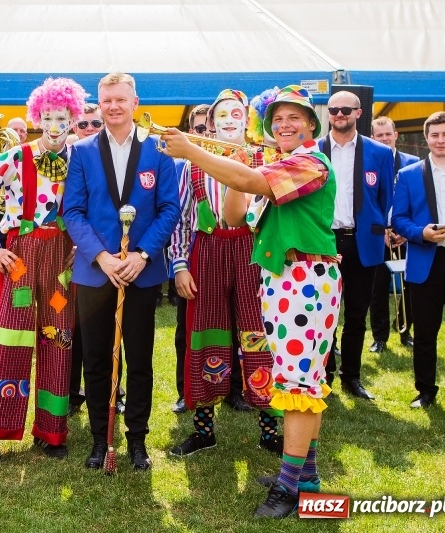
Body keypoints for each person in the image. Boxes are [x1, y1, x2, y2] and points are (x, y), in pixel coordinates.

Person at [163, 84, 341, 518]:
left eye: (294, 118)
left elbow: (252, 181)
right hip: (282, 279)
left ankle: (287, 487)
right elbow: (233, 215)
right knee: (297, 381)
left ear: (312, 126)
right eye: (277, 119)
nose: (284, 125)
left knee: (300, 386)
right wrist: (234, 162)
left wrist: (194, 151)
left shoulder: (310, 162)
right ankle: (307, 479)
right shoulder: (282, 162)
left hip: (306, 279)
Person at [0, 77, 86, 473]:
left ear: (72, 117)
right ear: (37, 118)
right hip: (21, 259)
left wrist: (85, 246)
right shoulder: (17, 156)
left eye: (61, 117)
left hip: (62, 262)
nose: (54, 124)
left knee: (58, 337)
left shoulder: (81, 157)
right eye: (47, 117)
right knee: (10, 340)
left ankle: (51, 430)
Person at [64, 72, 179, 472]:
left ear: (135, 102)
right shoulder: (80, 151)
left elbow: (169, 209)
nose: (113, 106)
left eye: (120, 99)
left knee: (140, 357)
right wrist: (102, 257)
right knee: (96, 358)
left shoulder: (159, 149)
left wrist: (142, 255)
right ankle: (100, 438)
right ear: (99, 104)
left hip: (140, 273)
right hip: (96, 273)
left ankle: (137, 439)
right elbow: (73, 212)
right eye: (106, 100)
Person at [167, 89, 281, 459]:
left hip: (252, 253)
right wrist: (180, 264)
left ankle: (269, 431)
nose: (229, 120)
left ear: (247, 118)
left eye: (237, 113)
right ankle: (203, 431)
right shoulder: (193, 163)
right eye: (222, 115)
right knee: (205, 337)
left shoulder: (266, 160)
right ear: (211, 123)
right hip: (209, 250)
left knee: (258, 337)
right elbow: (182, 219)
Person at [319, 91, 393, 401]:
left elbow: (386, 197)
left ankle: (352, 376)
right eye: (334, 109)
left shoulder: (379, 153)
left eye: (346, 109)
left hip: (364, 241)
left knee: (356, 314)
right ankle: (325, 377)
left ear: (358, 113)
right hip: (324, 241)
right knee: (325, 314)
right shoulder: (313, 150)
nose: (339, 114)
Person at [392, 111, 445, 409]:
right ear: (426, 138)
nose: (440, 140)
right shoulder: (408, 175)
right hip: (426, 261)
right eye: (434, 135)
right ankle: (425, 390)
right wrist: (420, 232)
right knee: (424, 333)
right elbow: (399, 219)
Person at [170, 104, 211, 414]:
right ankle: (186, 391)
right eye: (200, 129)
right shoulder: (188, 167)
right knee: (188, 327)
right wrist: (180, 262)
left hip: (240, 253)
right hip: (198, 251)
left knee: (240, 326)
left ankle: (237, 389)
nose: (208, 133)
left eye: (211, 127)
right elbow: (181, 219)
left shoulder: (246, 161)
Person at [68, 101, 107, 416]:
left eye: (96, 123)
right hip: (61, 258)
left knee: (102, 330)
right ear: (73, 126)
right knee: (69, 330)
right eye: (84, 124)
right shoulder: (61, 156)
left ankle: (112, 392)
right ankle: (68, 393)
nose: (90, 129)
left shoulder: (107, 155)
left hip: (99, 257)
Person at [369, 117, 420, 352]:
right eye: (379, 136)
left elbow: (419, 203)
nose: (384, 139)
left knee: (409, 285)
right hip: (379, 235)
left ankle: (404, 329)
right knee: (378, 286)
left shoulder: (413, 162)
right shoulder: (370, 161)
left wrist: (406, 233)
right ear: (373, 138)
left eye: (387, 134)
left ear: (396, 135)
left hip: (407, 233)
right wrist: (382, 232)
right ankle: (380, 337)